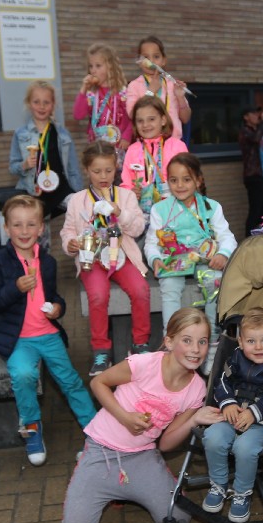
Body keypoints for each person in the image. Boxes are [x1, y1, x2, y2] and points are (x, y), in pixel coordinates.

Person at [62, 308, 221, 523]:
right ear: (169, 341)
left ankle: (125, 488)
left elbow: (165, 444)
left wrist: (194, 420)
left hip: (141, 455)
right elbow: (98, 383)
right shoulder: (144, 363)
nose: (196, 349)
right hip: (101, 451)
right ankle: (93, 474)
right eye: (187, 340)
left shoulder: (197, 389)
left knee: (179, 517)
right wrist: (125, 417)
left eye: (203, 341)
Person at [0, 195, 96, 466]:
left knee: (70, 381)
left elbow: (53, 297)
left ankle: (97, 432)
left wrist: (58, 308)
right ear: (6, 228)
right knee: (24, 374)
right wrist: (14, 288)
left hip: (47, 334)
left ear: (41, 228)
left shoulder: (47, 262)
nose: (24, 231)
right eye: (17, 225)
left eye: (31, 224)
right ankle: (31, 429)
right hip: (16, 338)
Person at [61, 142, 152, 376]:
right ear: (86, 170)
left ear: (116, 168)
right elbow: (68, 231)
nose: (103, 176)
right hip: (92, 259)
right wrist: (70, 243)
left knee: (141, 290)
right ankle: (101, 351)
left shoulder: (126, 196)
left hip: (121, 256)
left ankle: (140, 343)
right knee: (98, 296)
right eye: (97, 171)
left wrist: (120, 213)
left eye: (108, 170)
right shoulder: (77, 200)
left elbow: (138, 228)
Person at [202, 307, 263, 523]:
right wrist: (227, 403)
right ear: (241, 342)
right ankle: (218, 484)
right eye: (251, 341)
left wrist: (255, 412)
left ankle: (242, 493)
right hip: (233, 414)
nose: (258, 347)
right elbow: (222, 381)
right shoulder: (236, 357)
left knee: (244, 447)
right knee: (212, 437)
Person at [145, 153, 236, 358]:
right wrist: (155, 259)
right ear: (167, 182)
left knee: (215, 282)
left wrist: (223, 254)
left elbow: (227, 237)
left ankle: (212, 341)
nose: (180, 185)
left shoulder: (211, 207)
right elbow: (151, 242)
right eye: (174, 180)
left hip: (205, 261)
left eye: (186, 179)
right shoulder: (160, 209)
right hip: (174, 262)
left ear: (198, 180)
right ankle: (170, 342)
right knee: (169, 287)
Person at [9, 81, 84, 222]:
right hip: (34, 192)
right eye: (36, 102)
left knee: (82, 211)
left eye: (46, 102)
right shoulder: (20, 134)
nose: (41, 107)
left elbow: (73, 168)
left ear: (53, 104)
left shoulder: (63, 134)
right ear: (29, 103)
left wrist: (80, 195)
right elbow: (13, 167)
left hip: (60, 189)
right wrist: (24, 165)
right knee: (38, 231)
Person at [120, 97, 189, 216]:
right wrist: (130, 193)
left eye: (151, 119)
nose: (145, 125)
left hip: (175, 212)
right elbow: (126, 183)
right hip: (142, 215)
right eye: (140, 121)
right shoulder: (132, 150)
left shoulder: (178, 146)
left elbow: (188, 179)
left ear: (163, 120)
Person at [124, 35, 191, 141]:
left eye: (156, 56)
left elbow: (185, 118)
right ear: (140, 62)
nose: (151, 61)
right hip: (146, 145)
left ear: (164, 60)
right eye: (146, 57)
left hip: (173, 143)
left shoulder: (172, 84)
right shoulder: (134, 85)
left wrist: (180, 98)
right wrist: (150, 92)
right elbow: (132, 115)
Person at [73, 43, 133, 151]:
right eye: (91, 66)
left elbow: (132, 117)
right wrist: (83, 89)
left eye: (98, 66)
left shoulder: (123, 92)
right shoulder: (91, 93)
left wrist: (127, 136)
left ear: (110, 66)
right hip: (97, 148)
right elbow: (78, 115)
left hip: (118, 147)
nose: (93, 70)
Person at [239, 106, 263, 234]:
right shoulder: (245, 131)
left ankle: (262, 239)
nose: (257, 116)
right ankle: (248, 242)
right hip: (255, 177)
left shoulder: (260, 132)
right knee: (255, 212)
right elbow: (255, 139)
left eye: (258, 113)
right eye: (253, 113)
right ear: (246, 117)